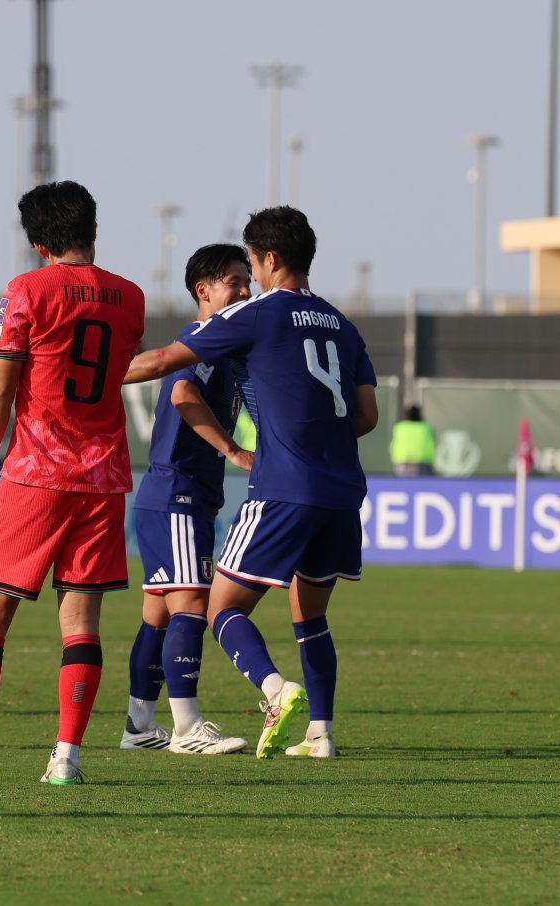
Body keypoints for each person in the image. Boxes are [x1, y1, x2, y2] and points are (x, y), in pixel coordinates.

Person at [124, 206, 377, 760]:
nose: (249, 282)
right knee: (310, 615)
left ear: (270, 259)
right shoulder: (344, 324)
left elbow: (166, 361)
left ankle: (274, 689)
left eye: (252, 269)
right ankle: (321, 735)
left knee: (222, 607)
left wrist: (82, 370)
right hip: (342, 492)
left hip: (285, 487)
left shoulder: (258, 315)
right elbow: (366, 416)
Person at [0, 181, 145, 786]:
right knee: (81, 624)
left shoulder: (26, 290)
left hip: (34, 471)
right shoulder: (130, 297)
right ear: (93, 230)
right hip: (102, 478)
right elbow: (122, 368)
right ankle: (65, 761)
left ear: (37, 242)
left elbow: (0, 387)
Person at [123, 244, 254, 756]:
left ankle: (138, 725)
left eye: (248, 282)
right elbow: (181, 393)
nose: (245, 291)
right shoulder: (201, 339)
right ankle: (186, 727)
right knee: (192, 604)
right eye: (235, 282)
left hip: (180, 493)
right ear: (204, 290)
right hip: (176, 489)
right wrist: (233, 448)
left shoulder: (218, 342)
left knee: (157, 612)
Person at [389, 404, 436, 476]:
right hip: (422, 462)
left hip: (401, 462)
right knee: (422, 486)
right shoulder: (426, 428)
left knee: (401, 486)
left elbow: (393, 445)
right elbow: (431, 445)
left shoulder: (399, 427)